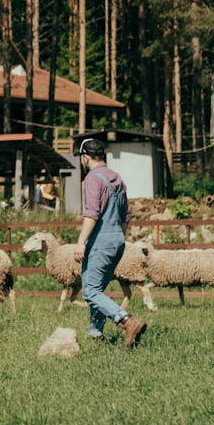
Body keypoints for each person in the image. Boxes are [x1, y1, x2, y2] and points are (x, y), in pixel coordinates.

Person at [73, 138, 147, 348]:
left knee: (90, 292)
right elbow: (126, 215)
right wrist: (118, 238)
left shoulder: (92, 179)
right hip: (117, 240)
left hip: (101, 240)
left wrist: (81, 242)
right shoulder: (116, 178)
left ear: (85, 157)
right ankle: (96, 334)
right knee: (95, 288)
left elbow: (92, 213)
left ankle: (126, 320)